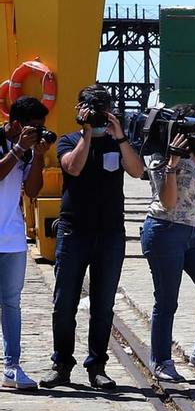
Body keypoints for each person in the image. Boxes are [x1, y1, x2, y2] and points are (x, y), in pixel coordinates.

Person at [42, 86, 146, 390]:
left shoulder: (117, 143)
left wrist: (121, 135)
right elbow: (72, 168)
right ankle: (62, 363)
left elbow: (138, 171)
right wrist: (87, 133)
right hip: (75, 232)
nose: (99, 115)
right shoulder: (69, 141)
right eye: (92, 110)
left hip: (110, 234)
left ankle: (97, 366)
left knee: (103, 305)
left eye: (103, 109)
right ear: (80, 110)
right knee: (64, 304)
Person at [141, 104, 195, 384]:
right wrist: (172, 166)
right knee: (167, 301)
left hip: (194, 232)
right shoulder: (159, 157)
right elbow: (167, 202)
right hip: (164, 230)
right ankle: (161, 362)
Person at [1, 97, 47, 389]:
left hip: (13, 237)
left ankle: (11, 366)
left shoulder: (28, 151)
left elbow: (32, 191)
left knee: (11, 303)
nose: (39, 133)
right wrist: (18, 149)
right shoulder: (15, 146)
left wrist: (39, 155)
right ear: (17, 125)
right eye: (35, 128)